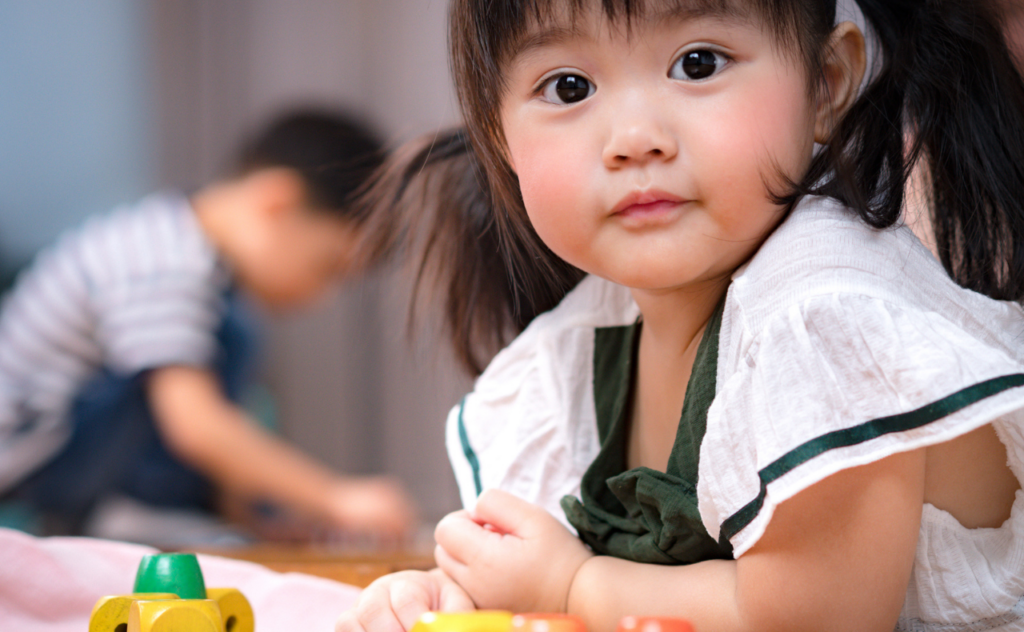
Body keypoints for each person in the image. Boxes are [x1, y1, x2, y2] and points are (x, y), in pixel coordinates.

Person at [337, 0, 1024, 630]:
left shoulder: (822, 311)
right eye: (569, 87)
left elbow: (813, 620)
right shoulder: (589, 339)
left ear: (826, 82)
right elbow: (541, 567)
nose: (635, 138)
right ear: (501, 136)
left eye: (698, 63)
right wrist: (451, 597)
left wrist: (570, 584)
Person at [0, 109, 416, 539]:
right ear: (277, 202)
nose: (321, 296)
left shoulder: (186, 245)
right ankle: (113, 521)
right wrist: (337, 497)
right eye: (326, 268)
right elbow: (196, 427)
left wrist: (257, 521)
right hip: (29, 467)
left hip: (74, 458)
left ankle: (180, 517)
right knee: (219, 347)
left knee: (224, 336)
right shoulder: (163, 260)